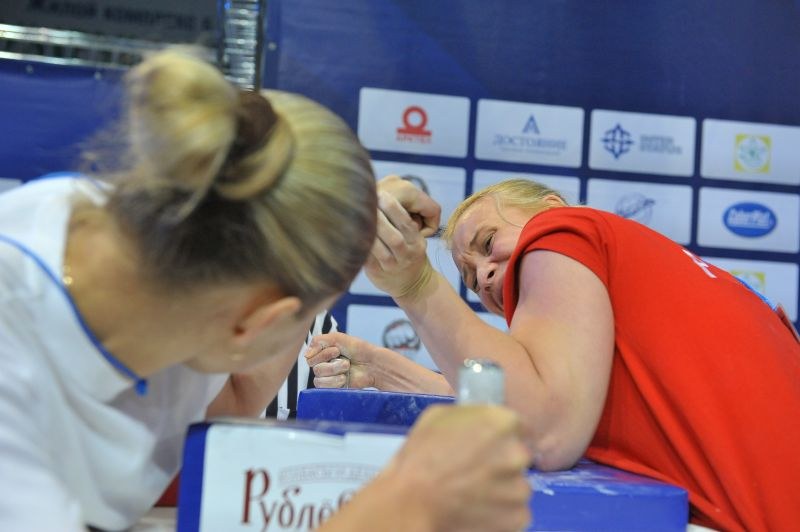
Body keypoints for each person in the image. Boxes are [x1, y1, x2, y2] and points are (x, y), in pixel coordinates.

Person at [0, 49, 532, 532]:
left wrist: (334, 226)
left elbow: (233, 400)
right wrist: (401, 507)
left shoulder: (167, 237)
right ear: (256, 323)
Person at [306, 176, 800, 531]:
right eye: (471, 277)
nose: (485, 276)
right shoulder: (685, 289)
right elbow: (521, 397)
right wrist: (384, 369)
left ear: (551, 206)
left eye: (488, 242)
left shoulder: (564, 230)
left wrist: (415, 286)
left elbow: (544, 430)